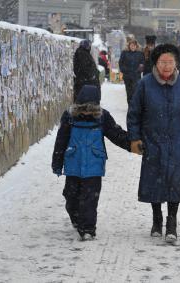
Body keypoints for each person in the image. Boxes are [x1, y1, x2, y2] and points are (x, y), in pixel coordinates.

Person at [127, 43, 180, 244]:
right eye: (163, 62)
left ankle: (172, 222)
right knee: (154, 181)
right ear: (156, 63)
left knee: (173, 182)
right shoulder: (145, 84)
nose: (167, 66)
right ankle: (156, 218)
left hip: (177, 142)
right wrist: (135, 138)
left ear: (176, 63)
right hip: (153, 142)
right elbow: (134, 114)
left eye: (170, 62)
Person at [51, 85, 130, 241]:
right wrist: (57, 162)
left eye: (90, 108)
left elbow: (116, 134)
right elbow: (61, 140)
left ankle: (88, 229)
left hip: (94, 166)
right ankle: (76, 218)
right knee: (70, 196)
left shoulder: (103, 117)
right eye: (83, 108)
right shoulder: (69, 117)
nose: (86, 111)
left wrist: (132, 144)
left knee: (90, 199)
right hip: (74, 164)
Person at [119, 39, 145, 105]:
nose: (133, 47)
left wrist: (139, 70)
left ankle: (135, 106)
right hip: (127, 76)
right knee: (129, 92)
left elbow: (142, 63)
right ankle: (130, 106)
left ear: (136, 46)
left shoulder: (140, 53)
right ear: (129, 46)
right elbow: (121, 63)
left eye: (134, 45)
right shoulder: (124, 53)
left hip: (136, 76)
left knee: (135, 92)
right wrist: (125, 70)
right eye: (131, 45)